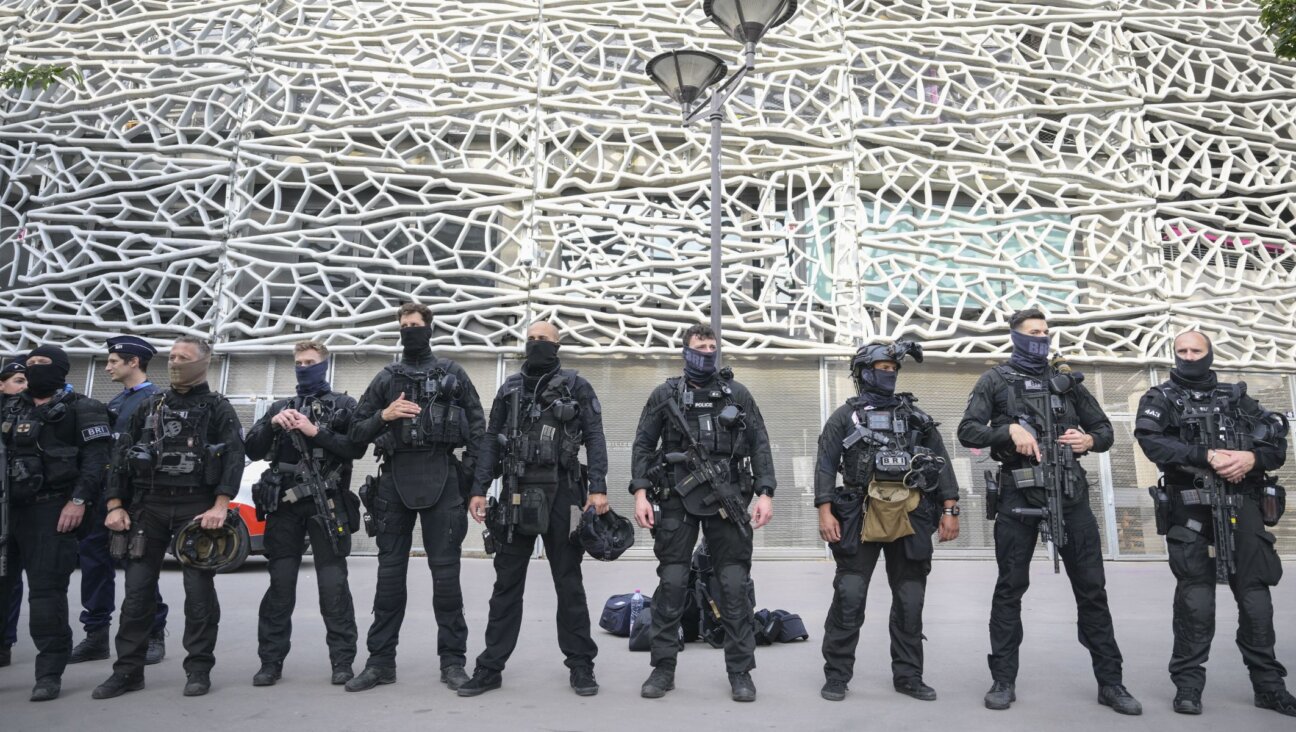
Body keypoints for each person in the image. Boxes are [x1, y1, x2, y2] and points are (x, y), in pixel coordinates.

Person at [957, 307, 1141, 715]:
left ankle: (1111, 682)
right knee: (1010, 588)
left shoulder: (1068, 383)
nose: (1041, 337)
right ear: (1016, 336)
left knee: (1092, 590)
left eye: (1045, 331)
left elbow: (1107, 431)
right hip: (1018, 494)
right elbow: (967, 430)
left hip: (1070, 493)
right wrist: (1008, 430)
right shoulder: (995, 380)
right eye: (1033, 332)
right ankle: (1003, 680)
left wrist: (1087, 439)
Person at [1133, 330, 1295, 717]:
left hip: (1244, 507)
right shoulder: (1160, 398)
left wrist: (1250, 460)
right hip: (1192, 511)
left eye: (1196, 350)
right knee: (1195, 601)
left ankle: (1269, 687)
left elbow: (1276, 445)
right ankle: (1188, 687)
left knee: (1256, 599)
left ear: (1209, 354)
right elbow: (1152, 442)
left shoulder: (1237, 398)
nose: (1188, 357)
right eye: (1181, 351)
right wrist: (1208, 455)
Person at [460, 321, 609, 697]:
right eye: (531, 339)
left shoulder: (577, 385)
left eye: (544, 339)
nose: (536, 344)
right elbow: (491, 442)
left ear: (558, 345)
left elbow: (594, 436)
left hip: (565, 494)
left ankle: (581, 666)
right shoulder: (509, 388)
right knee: (506, 585)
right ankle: (490, 667)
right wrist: (478, 489)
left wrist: (598, 489)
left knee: (568, 581)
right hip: (515, 493)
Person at [92, 336, 245, 699]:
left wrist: (221, 505)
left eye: (184, 358)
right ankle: (128, 671)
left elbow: (234, 458)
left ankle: (198, 669)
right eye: (172, 357)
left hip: (198, 510)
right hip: (149, 508)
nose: (175, 363)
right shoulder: (150, 405)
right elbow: (120, 455)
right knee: (136, 595)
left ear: (204, 363)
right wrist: (115, 505)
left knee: (198, 595)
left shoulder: (218, 407)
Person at [630, 323, 775, 702]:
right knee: (673, 584)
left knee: (732, 586)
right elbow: (644, 444)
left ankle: (740, 672)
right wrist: (641, 494)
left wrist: (765, 492)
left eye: (713, 346)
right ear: (686, 351)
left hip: (727, 499)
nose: (707, 352)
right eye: (700, 346)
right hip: (677, 499)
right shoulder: (666, 394)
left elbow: (760, 443)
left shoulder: (736, 393)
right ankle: (663, 669)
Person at [345, 302, 485, 693]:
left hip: (443, 478)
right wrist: (384, 417)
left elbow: (479, 431)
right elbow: (356, 434)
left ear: (429, 328)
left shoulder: (453, 374)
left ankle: (453, 662)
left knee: (446, 579)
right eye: (403, 326)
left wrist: (474, 487)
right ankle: (379, 663)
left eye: (415, 325)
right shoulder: (387, 378)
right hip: (394, 479)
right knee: (389, 578)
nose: (409, 331)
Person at [814, 341, 960, 702]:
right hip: (857, 514)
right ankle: (836, 675)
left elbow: (941, 462)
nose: (889, 373)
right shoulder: (844, 417)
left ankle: (909, 676)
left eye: (894, 368)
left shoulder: (915, 417)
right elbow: (825, 464)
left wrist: (949, 509)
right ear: (863, 372)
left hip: (910, 514)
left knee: (910, 599)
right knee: (850, 596)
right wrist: (824, 509)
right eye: (882, 367)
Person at [244, 340, 363, 687]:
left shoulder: (344, 405)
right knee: (280, 586)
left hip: (327, 505)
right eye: (298, 362)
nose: (303, 367)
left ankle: (342, 661)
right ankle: (270, 662)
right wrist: (273, 425)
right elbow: (251, 449)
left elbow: (353, 448)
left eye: (310, 362)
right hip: (284, 507)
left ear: (324, 365)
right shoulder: (281, 406)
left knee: (333, 585)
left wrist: (315, 431)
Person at [0, 345, 112, 700]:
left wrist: (78, 501)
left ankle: (49, 673)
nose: (34, 370)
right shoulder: (11, 406)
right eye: (29, 364)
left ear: (61, 370)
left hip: (52, 511)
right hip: (7, 511)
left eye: (42, 364)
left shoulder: (84, 408)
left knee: (46, 595)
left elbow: (97, 462)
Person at [65, 336, 169, 666]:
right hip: (103, 495)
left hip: (136, 498)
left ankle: (153, 632)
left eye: (113, 361)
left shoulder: (156, 401)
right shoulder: (115, 403)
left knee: (139, 566)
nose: (107, 366)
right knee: (95, 564)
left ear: (133, 362)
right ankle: (96, 634)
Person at [0, 359, 26, 667]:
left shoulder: (33, 413)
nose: (25, 386)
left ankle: (5, 642)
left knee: (8, 576)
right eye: (18, 380)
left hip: (18, 505)